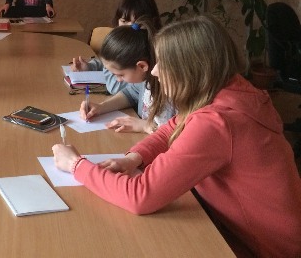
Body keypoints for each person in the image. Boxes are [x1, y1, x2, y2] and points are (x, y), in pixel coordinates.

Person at [53, 15, 301, 257]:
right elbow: (172, 127)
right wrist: (134, 158)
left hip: (262, 247)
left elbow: (140, 196)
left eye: (163, 62)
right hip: (240, 230)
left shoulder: (217, 121)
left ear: (190, 69)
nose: (155, 71)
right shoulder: (227, 90)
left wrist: (77, 165)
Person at [81, 20, 175, 134]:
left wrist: (145, 126)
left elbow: (179, 133)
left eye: (120, 75)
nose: (118, 80)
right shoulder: (146, 80)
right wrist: (101, 107)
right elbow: (130, 94)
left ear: (142, 66)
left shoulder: (172, 90)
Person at [71, 0, 162, 96]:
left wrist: (109, 68)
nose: (130, 27)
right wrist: (90, 67)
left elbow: (115, 87)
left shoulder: (152, 53)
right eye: (124, 21)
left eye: (138, 23)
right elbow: (112, 63)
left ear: (152, 22)